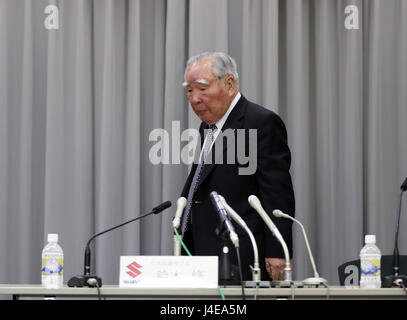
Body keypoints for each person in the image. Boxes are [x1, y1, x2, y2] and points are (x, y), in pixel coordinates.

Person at [179, 52, 295, 281]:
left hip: (242, 253)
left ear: (229, 84)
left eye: (202, 89)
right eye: (189, 90)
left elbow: (277, 193)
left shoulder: (260, 122)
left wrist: (277, 251)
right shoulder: (208, 128)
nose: (194, 99)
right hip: (202, 252)